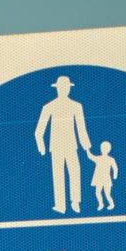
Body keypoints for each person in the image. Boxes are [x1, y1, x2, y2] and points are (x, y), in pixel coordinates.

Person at [33, 76, 92, 214]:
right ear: (57, 88)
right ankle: (60, 205)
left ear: (69, 89)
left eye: (66, 87)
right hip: (56, 147)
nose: (64, 90)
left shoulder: (76, 106)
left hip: (71, 146)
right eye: (61, 87)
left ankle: (75, 202)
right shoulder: (49, 106)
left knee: (75, 171)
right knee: (58, 175)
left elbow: (81, 129)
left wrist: (87, 149)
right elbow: (38, 131)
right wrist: (41, 146)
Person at [89, 141, 119, 211]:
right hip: (99, 178)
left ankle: (111, 204)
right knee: (97, 192)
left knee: (107, 193)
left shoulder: (111, 159)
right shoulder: (98, 158)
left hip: (106, 179)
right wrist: (87, 150)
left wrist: (115, 175)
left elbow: (115, 167)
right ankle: (101, 204)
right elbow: (91, 156)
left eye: (105, 148)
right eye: (102, 148)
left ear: (108, 150)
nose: (103, 150)